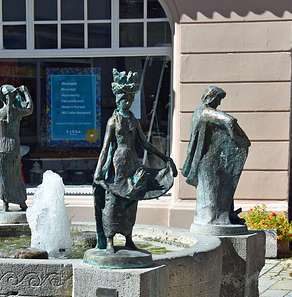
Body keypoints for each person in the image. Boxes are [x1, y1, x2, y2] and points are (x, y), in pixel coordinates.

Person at [93, 69, 177, 251]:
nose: (127, 103)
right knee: (113, 202)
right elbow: (105, 147)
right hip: (117, 166)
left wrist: (164, 157)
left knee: (131, 202)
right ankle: (110, 240)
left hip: (132, 162)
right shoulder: (112, 121)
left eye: (130, 100)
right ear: (118, 100)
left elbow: (145, 143)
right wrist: (98, 172)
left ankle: (128, 238)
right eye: (124, 99)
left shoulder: (134, 120)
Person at [182, 86, 251, 229]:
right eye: (219, 99)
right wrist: (238, 137)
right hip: (208, 161)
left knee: (217, 188)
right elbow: (230, 121)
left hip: (206, 160)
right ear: (212, 98)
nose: (219, 103)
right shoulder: (207, 113)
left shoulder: (198, 111)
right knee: (213, 191)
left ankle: (223, 216)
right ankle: (213, 220)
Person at [0, 84, 33, 211]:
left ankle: (5, 205)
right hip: (11, 150)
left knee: (2, 178)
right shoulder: (17, 113)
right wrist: (25, 92)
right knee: (16, 178)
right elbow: (29, 108)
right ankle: (22, 203)